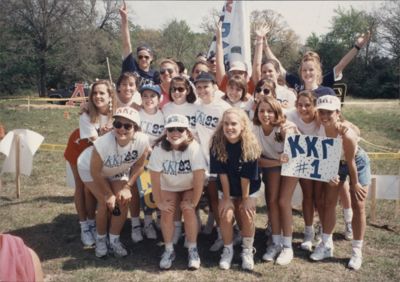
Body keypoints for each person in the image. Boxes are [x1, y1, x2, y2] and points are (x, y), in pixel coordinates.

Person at [77, 107, 149, 258]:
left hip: (116, 168)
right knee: (105, 202)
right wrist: (108, 193)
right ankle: (101, 239)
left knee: (122, 201)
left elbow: (139, 165)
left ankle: (114, 239)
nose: (121, 129)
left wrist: (128, 186)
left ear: (136, 128)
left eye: (127, 126)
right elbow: (96, 172)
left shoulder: (142, 140)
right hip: (89, 168)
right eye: (117, 124)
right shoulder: (102, 143)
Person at [311, 95, 370, 271]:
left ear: (338, 113)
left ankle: (356, 251)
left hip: (356, 163)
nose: (324, 116)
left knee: (358, 204)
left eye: (329, 112)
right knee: (329, 203)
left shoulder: (347, 134)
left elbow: (351, 162)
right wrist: (330, 175)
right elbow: (323, 156)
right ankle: (327, 245)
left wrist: (356, 183)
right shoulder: (319, 129)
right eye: (321, 111)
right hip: (334, 162)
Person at [148, 114, 206, 270]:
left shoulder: (194, 147)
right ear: (166, 132)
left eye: (180, 129)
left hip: (189, 186)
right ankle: (168, 250)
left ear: (187, 132)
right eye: (171, 129)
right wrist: (159, 202)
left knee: (188, 210)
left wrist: (193, 202)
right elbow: (154, 178)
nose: (175, 132)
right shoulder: (159, 149)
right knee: (167, 211)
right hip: (168, 186)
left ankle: (193, 249)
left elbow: (199, 178)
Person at [64, 79, 116, 247]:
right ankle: (84, 226)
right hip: (79, 147)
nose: (98, 96)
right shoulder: (86, 114)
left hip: (100, 154)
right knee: (81, 187)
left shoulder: (116, 113)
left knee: (92, 189)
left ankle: (94, 222)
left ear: (110, 96)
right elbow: (97, 142)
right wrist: (103, 132)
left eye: (102, 93)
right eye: (94, 93)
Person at [210, 108, 261, 270]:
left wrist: (245, 200)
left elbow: (246, 177)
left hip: (248, 187)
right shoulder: (217, 143)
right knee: (226, 214)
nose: (229, 127)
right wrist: (226, 198)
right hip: (227, 186)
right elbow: (222, 174)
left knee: (246, 213)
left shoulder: (250, 145)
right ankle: (228, 249)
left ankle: (247, 249)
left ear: (243, 126)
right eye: (226, 123)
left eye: (233, 124)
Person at [252, 96, 299, 265]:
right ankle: (276, 242)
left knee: (283, 201)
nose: (265, 114)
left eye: (270, 111)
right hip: (272, 163)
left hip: (292, 165)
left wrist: (290, 134)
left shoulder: (285, 127)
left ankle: (288, 246)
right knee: (271, 201)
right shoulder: (254, 129)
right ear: (256, 112)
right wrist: (278, 162)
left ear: (277, 112)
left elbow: (297, 153)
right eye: (262, 110)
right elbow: (257, 160)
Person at [263, 30, 371, 92]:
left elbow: (342, 64)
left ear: (318, 71)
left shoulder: (325, 83)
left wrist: (357, 47)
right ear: (301, 71)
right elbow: (278, 65)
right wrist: (265, 46)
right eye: (304, 70)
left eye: (311, 69)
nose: (307, 73)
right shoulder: (296, 83)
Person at [194, 71, 231, 251]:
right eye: (199, 87)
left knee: (224, 199)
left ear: (215, 87)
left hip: (220, 160)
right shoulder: (198, 106)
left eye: (205, 87)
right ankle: (221, 235)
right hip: (204, 160)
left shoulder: (223, 108)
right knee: (212, 200)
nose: (202, 90)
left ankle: (228, 236)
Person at [285, 90, 322, 251]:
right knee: (308, 196)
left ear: (315, 105)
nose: (303, 108)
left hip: (320, 160)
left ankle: (322, 230)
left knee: (320, 198)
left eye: (307, 105)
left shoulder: (321, 117)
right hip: (301, 160)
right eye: (300, 105)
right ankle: (308, 232)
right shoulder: (292, 115)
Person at [129, 84, 164, 243]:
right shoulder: (136, 114)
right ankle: (136, 224)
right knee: (137, 191)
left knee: (153, 190)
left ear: (159, 98)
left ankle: (150, 221)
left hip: (156, 159)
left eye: (152, 96)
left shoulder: (163, 115)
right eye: (145, 96)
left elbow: (165, 137)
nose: (149, 99)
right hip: (137, 158)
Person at [120, 2, 159, 87]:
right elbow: (126, 44)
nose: (143, 59)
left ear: (151, 58)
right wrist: (124, 20)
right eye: (140, 57)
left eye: (146, 57)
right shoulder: (132, 67)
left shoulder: (156, 75)